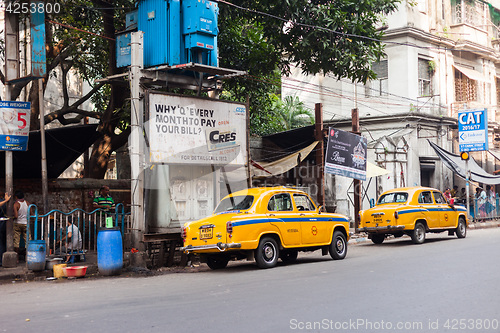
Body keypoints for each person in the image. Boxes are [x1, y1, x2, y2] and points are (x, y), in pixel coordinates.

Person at [13, 190, 29, 256]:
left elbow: (16, 216)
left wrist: (11, 217)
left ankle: (16, 258)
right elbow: (31, 213)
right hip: (26, 224)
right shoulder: (27, 203)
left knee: (16, 241)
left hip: (18, 224)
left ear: (16, 197)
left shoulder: (16, 204)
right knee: (27, 240)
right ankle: (27, 256)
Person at [0, 192, 11, 266]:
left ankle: (1, 261)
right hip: (3, 223)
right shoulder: (3, 203)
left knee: (1, 243)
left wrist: (5, 200)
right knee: (2, 243)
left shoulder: (2, 203)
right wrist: (5, 200)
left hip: (2, 223)